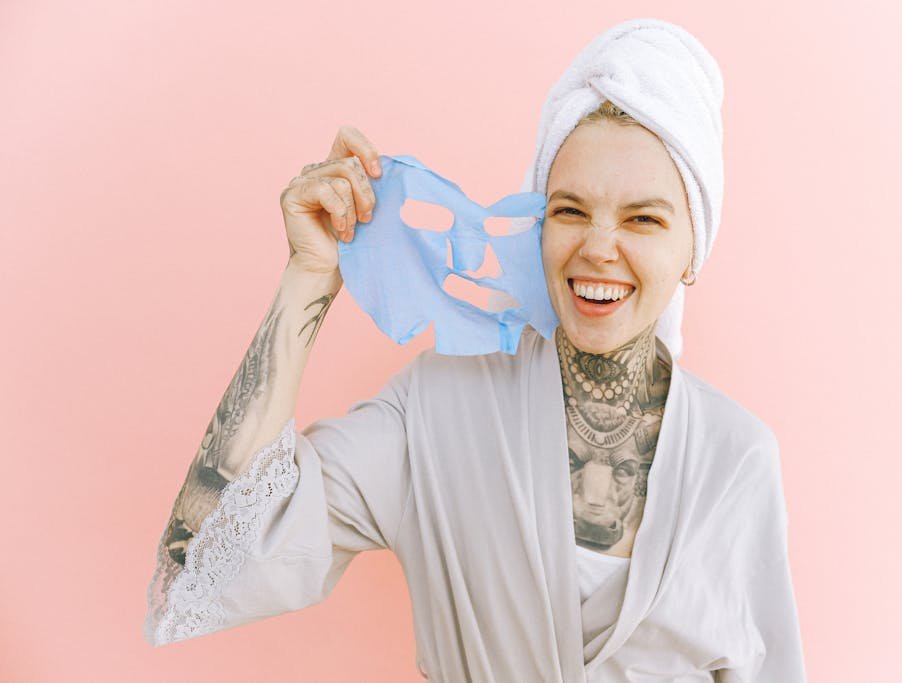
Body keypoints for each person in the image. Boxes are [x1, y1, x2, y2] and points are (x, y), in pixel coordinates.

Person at [144, 19, 806, 682]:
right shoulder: (435, 408)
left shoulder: (738, 460)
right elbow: (210, 554)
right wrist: (309, 274)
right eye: (570, 210)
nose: (599, 246)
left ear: (693, 248)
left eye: (643, 218)